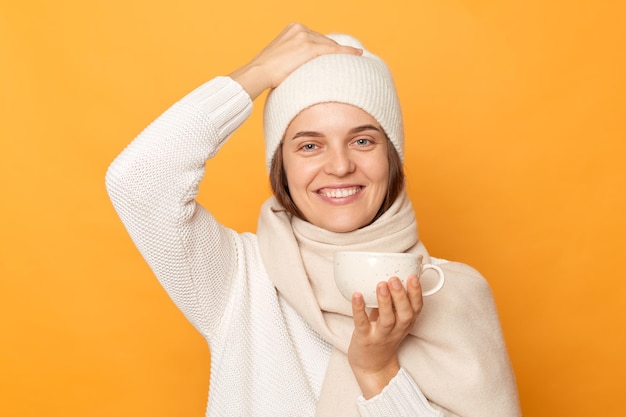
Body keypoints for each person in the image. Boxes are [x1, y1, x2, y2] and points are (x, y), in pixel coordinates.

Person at [106, 23, 522, 417]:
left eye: (362, 140)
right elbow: (137, 180)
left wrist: (378, 372)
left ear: (391, 155)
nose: (340, 166)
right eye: (309, 145)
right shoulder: (241, 278)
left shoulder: (452, 295)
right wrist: (256, 73)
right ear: (280, 166)